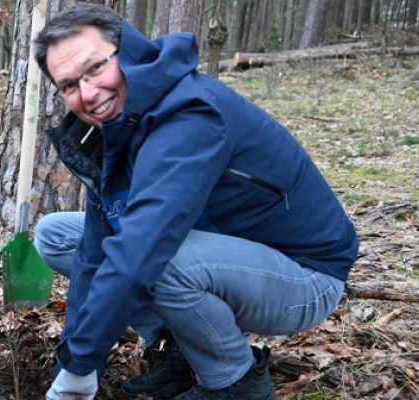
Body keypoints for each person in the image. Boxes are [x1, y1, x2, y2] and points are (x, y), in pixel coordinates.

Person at [32, 4, 359, 400]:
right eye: (69, 85)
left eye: (96, 68)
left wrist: (81, 364)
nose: (87, 93)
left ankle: (234, 382)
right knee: (56, 236)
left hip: (304, 277)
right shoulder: (117, 124)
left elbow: (140, 253)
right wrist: (74, 366)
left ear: (128, 52)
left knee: (157, 260)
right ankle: (187, 351)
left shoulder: (189, 115)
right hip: (223, 254)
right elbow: (92, 254)